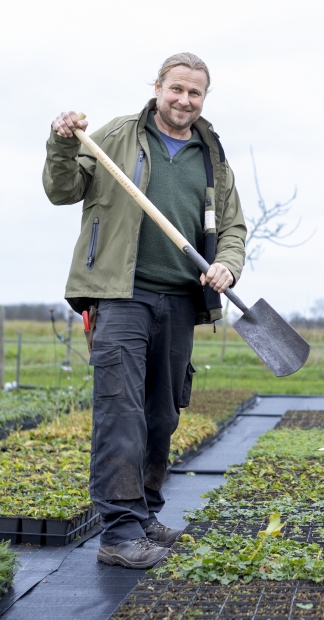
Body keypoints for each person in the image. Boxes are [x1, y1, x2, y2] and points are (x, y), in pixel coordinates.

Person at [42, 53, 247, 569]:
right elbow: (61, 190)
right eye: (176, 88)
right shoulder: (116, 136)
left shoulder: (213, 158)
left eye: (195, 93)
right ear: (157, 87)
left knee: (162, 414)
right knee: (121, 412)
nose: (184, 100)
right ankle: (119, 533)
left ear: (205, 98)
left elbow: (233, 228)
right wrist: (61, 143)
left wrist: (227, 265)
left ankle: (145, 514)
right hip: (121, 295)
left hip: (179, 301)